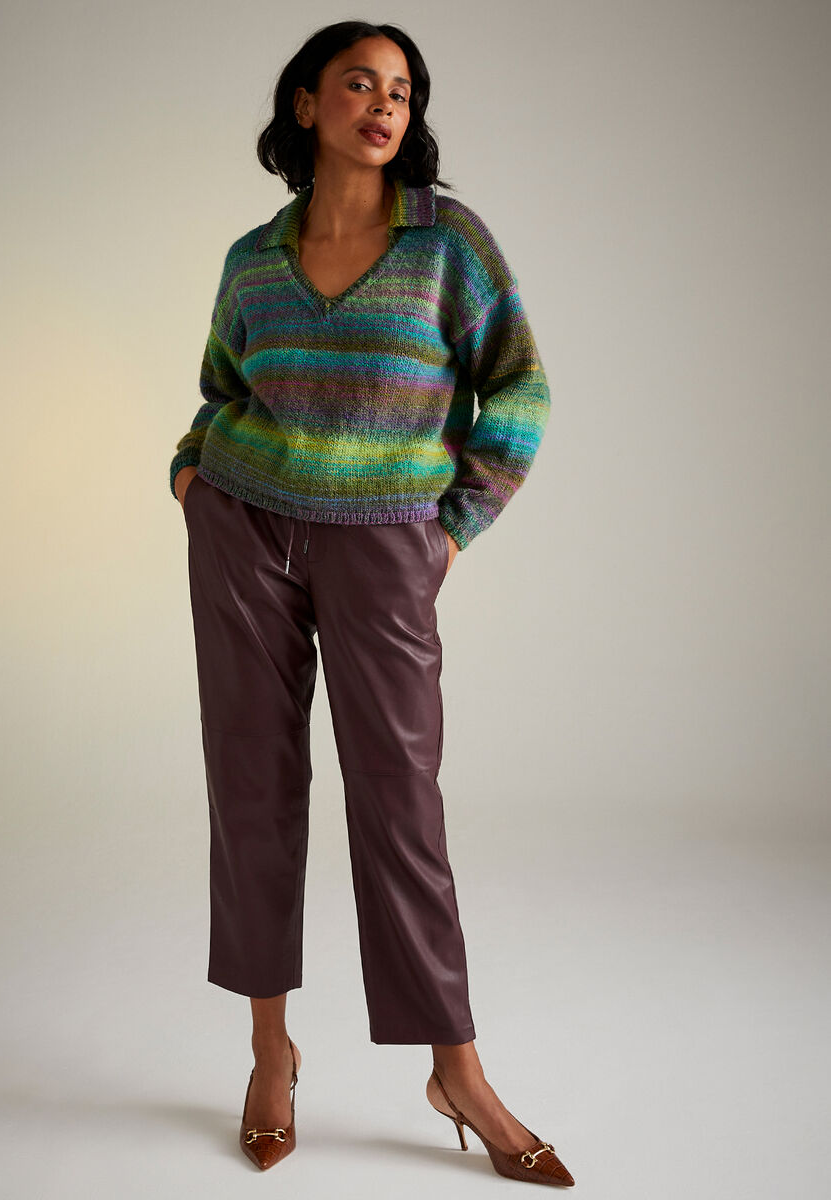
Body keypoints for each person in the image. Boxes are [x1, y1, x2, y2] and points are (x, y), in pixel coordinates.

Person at [169, 19, 573, 1184]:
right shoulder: (254, 257)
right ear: (306, 104)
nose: (383, 105)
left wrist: (453, 526)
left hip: (385, 542)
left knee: (399, 803)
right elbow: (219, 386)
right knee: (252, 787)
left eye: (400, 89)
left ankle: (456, 1069)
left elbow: (520, 387)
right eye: (358, 83)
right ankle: (270, 1051)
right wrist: (192, 475)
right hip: (243, 527)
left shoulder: (448, 245)